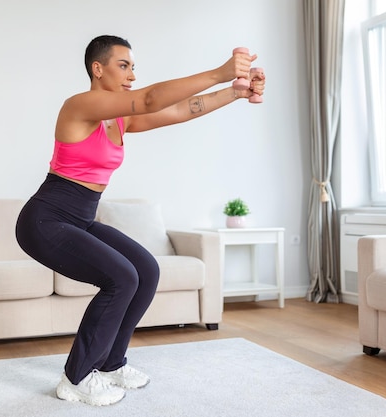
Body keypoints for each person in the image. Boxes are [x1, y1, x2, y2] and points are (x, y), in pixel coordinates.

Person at [15, 35, 265, 407]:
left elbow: (181, 110)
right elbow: (150, 98)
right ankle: (77, 377)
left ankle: (112, 364)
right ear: (97, 69)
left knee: (146, 269)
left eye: (133, 67)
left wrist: (235, 92)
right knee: (120, 276)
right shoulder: (80, 106)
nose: (131, 74)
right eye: (123, 65)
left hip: (80, 217)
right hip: (46, 220)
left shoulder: (120, 119)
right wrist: (219, 72)